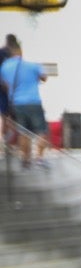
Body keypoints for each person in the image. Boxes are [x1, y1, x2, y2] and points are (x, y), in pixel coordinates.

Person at [1, 35, 48, 168]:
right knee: (41, 131)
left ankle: (26, 159)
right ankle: (39, 158)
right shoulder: (32, 65)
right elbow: (44, 78)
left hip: (16, 103)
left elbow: (4, 85)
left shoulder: (5, 67)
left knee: (23, 132)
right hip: (33, 102)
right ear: (20, 52)